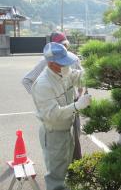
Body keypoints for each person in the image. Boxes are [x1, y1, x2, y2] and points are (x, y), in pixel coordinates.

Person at [31, 42, 91, 190]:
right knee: (56, 177)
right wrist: (77, 105)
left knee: (69, 168)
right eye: (63, 63)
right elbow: (53, 114)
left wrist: (99, 71)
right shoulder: (43, 84)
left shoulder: (63, 72)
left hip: (68, 130)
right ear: (51, 64)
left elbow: (79, 77)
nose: (67, 65)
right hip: (54, 134)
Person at [22, 31, 83, 160]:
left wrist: (79, 95)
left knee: (75, 141)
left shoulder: (73, 58)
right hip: (57, 113)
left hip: (74, 106)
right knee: (58, 154)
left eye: (65, 46)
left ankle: (75, 173)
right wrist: (42, 99)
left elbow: (81, 78)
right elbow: (27, 80)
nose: (63, 50)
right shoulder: (47, 61)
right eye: (60, 46)